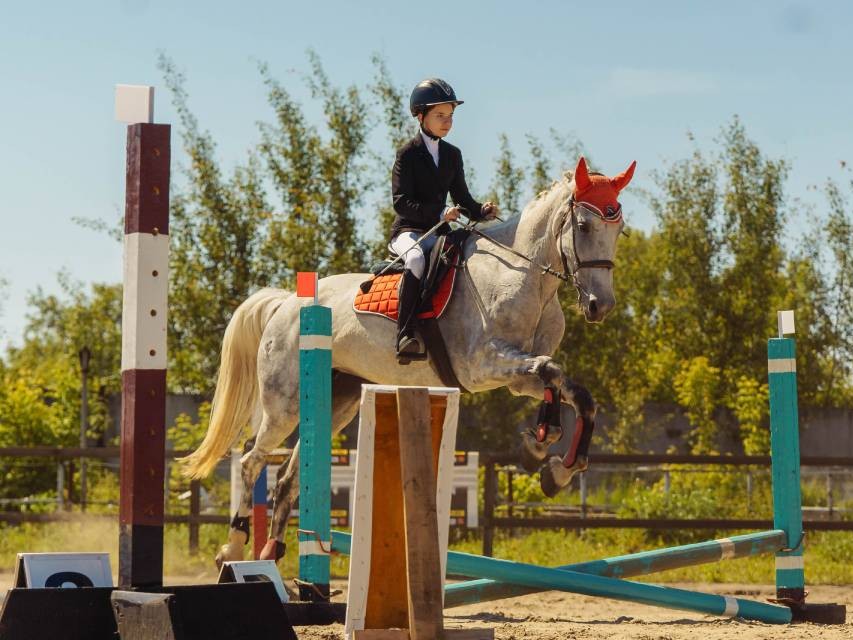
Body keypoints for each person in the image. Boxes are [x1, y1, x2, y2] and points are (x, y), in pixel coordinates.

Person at [390, 78, 498, 363]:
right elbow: (401, 202)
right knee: (415, 261)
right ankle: (405, 333)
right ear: (421, 115)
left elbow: (462, 198)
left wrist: (481, 210)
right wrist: (439, 213)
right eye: (440, 116)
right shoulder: (407, 155)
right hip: (410, 231)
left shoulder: (452, 155)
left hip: (440, 233)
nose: (447, 122)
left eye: (450, 116)